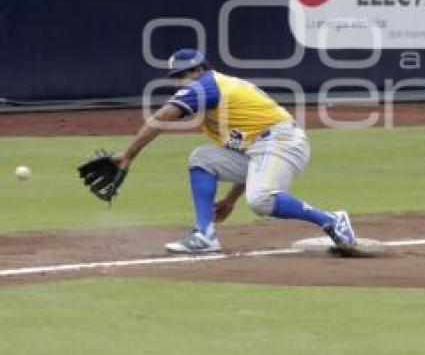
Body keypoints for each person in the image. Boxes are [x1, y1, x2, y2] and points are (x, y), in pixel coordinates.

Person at [112, 49, 357, 254]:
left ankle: (332, 220)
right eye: (176, 77)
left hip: (282, 140)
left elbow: (162, 116)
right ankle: (204, 234)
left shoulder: (207, 85)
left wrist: (130, 154)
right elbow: (248, 153)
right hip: (265, 146)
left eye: (184, 74)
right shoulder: (213, 109)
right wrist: (230, 200)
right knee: (202, 159)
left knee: (261, 200)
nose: (181, 82)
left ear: (199, 70)